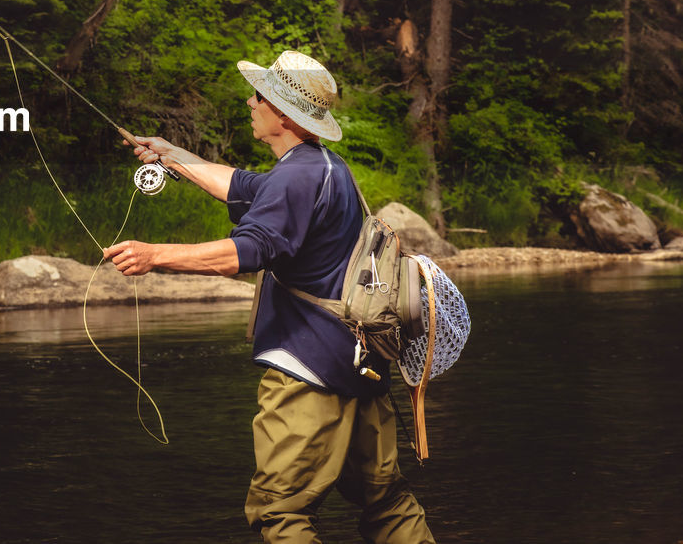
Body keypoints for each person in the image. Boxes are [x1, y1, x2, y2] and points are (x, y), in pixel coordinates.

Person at [102, 49, 435, 544]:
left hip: (307, 375)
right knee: (388, 505)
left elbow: (250, 250)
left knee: (280, 513)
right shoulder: (324, 167)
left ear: (281, 113)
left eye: (258, 96)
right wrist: (172, 156)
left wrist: (155, 255)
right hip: (358, 368)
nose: (250, 102)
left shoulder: (297, 176)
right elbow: (241, 185)